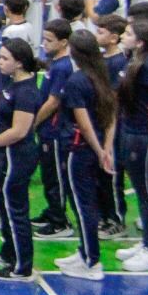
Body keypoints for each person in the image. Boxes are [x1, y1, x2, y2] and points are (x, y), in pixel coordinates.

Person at [55, 31, 118, 280]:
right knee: (89, 202)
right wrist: (106, 149)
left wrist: (98, 148)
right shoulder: (101, 76)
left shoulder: (76, 81)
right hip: (96, 150)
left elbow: (83, 122)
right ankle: (84, 252)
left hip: (79, 150)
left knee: (82, 206)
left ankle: (91, 261)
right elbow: (111, 115)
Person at [0, 37, 44, 281]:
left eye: (5, 58)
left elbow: (19, 130)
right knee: (6, 207)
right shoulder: (13, 84)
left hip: (17, 156)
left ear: (19, 63)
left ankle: (22, 266)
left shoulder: (27, 91)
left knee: (16, 210)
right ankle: (9, 252)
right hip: (7, 156)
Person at [116, 20, 148, 272]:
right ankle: (146, 242)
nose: (123, 35)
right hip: (133, 132)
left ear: (141, 41)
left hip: (147, 137)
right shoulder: (135, 62)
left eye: (129, 33)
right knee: (142, 190)